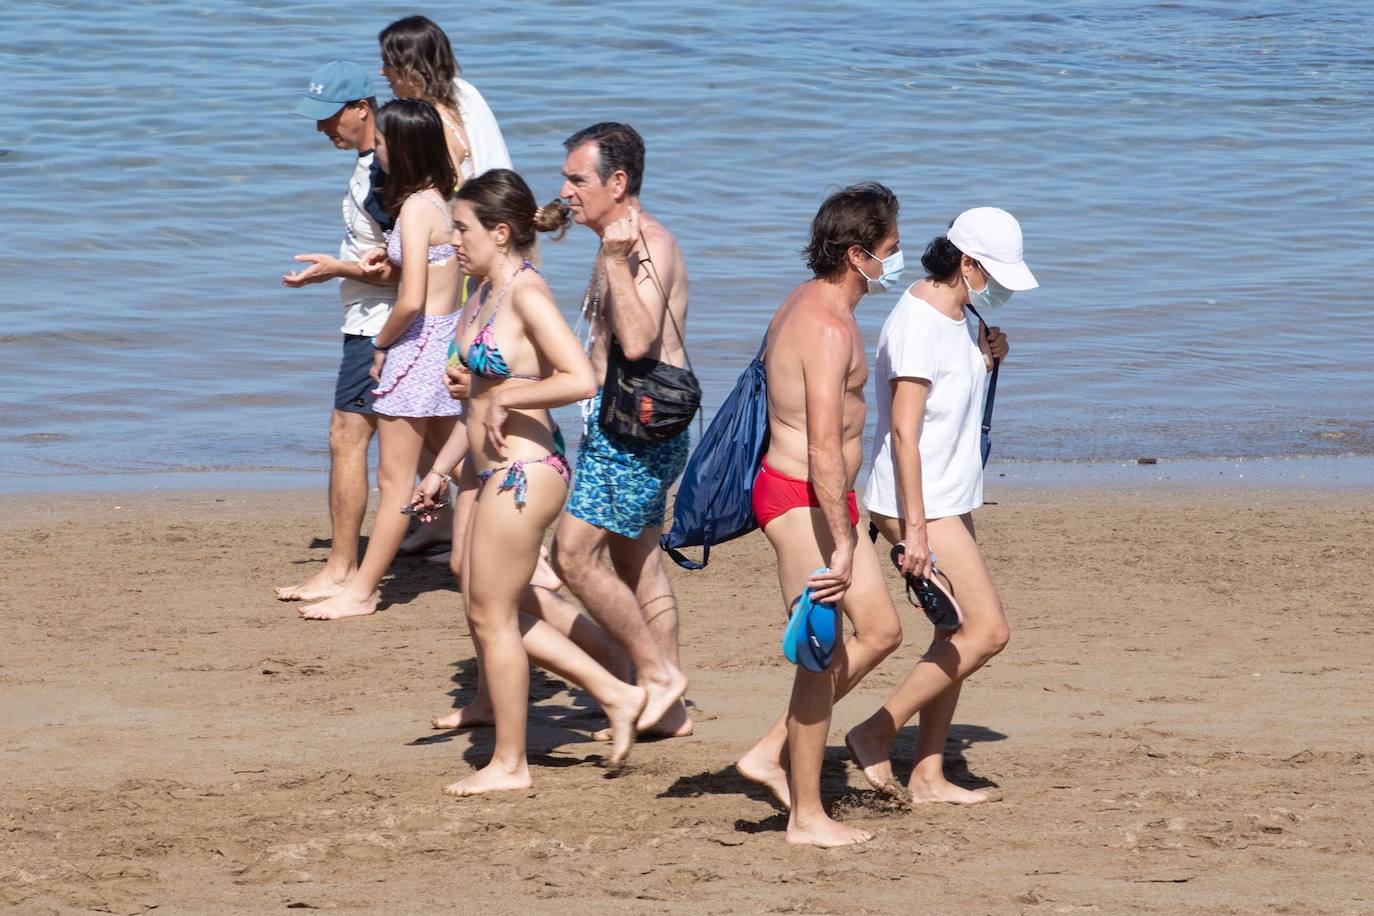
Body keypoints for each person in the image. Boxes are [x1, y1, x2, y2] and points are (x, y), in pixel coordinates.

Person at [414, 168, 647, 795]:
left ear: (500, 230)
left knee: (492, 615)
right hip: (489, 472)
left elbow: (579, 379)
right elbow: (477, 397)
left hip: (527, 473)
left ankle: (512, 763)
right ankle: (614, 691)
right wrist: (439, 470)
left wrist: (504, 396)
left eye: (461, 229)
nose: (452, 240)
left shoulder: (526, 293)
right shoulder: (482, 290)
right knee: (488, 607)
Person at [734, 183, 906, 848]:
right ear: (858, 253)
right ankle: (805, 817)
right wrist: (840, 543)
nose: (896, 261)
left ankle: (770, 751)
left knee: (882, 629)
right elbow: (822, 446)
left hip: (820, 497)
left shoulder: (806, 302)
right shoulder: (829, 327)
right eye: (890, 250)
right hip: (804, 498)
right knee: (820, 655)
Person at [845, 207, 1035, 804]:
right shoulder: (918, 324)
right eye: (993, 273)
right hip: (915, 501)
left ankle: (927, 774)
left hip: (949, 495)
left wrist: (987, 357)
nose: (1001, 287)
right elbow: (903, 433)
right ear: (966, 262)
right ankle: (875, 732)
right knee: (987, 630)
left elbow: (947, 404)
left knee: (951, 630)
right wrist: (917, 532)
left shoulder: (960, 313)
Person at [547, 122, 694, 737]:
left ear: (618, 181)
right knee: (637, 564)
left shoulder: (645, 245)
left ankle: (656, 677)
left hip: (638, 430)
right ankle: (669, 707)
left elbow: (638, 341)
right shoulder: (614, 235)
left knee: (573, 556)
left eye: (577, 179)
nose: (566, 190)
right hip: (627, 426)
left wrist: (612, 257)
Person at [299, 99, 463, 621]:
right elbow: (432, 263)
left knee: (395, 482)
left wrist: (383, 345)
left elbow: (411, 298)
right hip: (443, 340)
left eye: (386, 144)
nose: (379, 152)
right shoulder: (438, 202)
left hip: (416, 344)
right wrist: (383, 254)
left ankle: (363, 589)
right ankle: (534, 564)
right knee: (463, 461)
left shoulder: (415, 208)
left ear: (405, 149)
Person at [378, 14, 513, 563]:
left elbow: (446, 210)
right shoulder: (465, 103)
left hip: (452, 279)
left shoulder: (429, 121)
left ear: (410, 65)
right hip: (470, 261)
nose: (384, 73)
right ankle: (450, 525)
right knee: (441, 419)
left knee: (445, 410)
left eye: (390, 62)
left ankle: (494, 530)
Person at [275, 60, 398, 603]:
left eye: (329, 117)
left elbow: (418, 263)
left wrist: (336, 269)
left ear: (361, 108)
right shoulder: (376, 160)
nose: (321, 128)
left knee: (348, 437)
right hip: (376, 319)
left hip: (382, 323)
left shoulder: (385, 172)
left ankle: (344, 567)